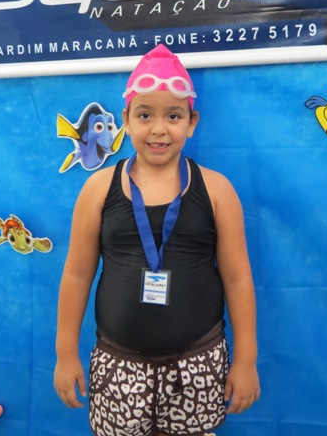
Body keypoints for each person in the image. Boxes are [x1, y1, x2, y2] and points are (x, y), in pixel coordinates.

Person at [54, 44, 260, 436]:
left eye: (174, 116)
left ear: (192, 122)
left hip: (198, 361)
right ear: (126, 120)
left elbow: (237, 279)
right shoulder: (98, 189)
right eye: (145, 115)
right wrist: (65, 353)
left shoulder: (217, 190)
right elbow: (77, 275)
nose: (159, 129)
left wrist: (246, 359)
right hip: (118, 364)